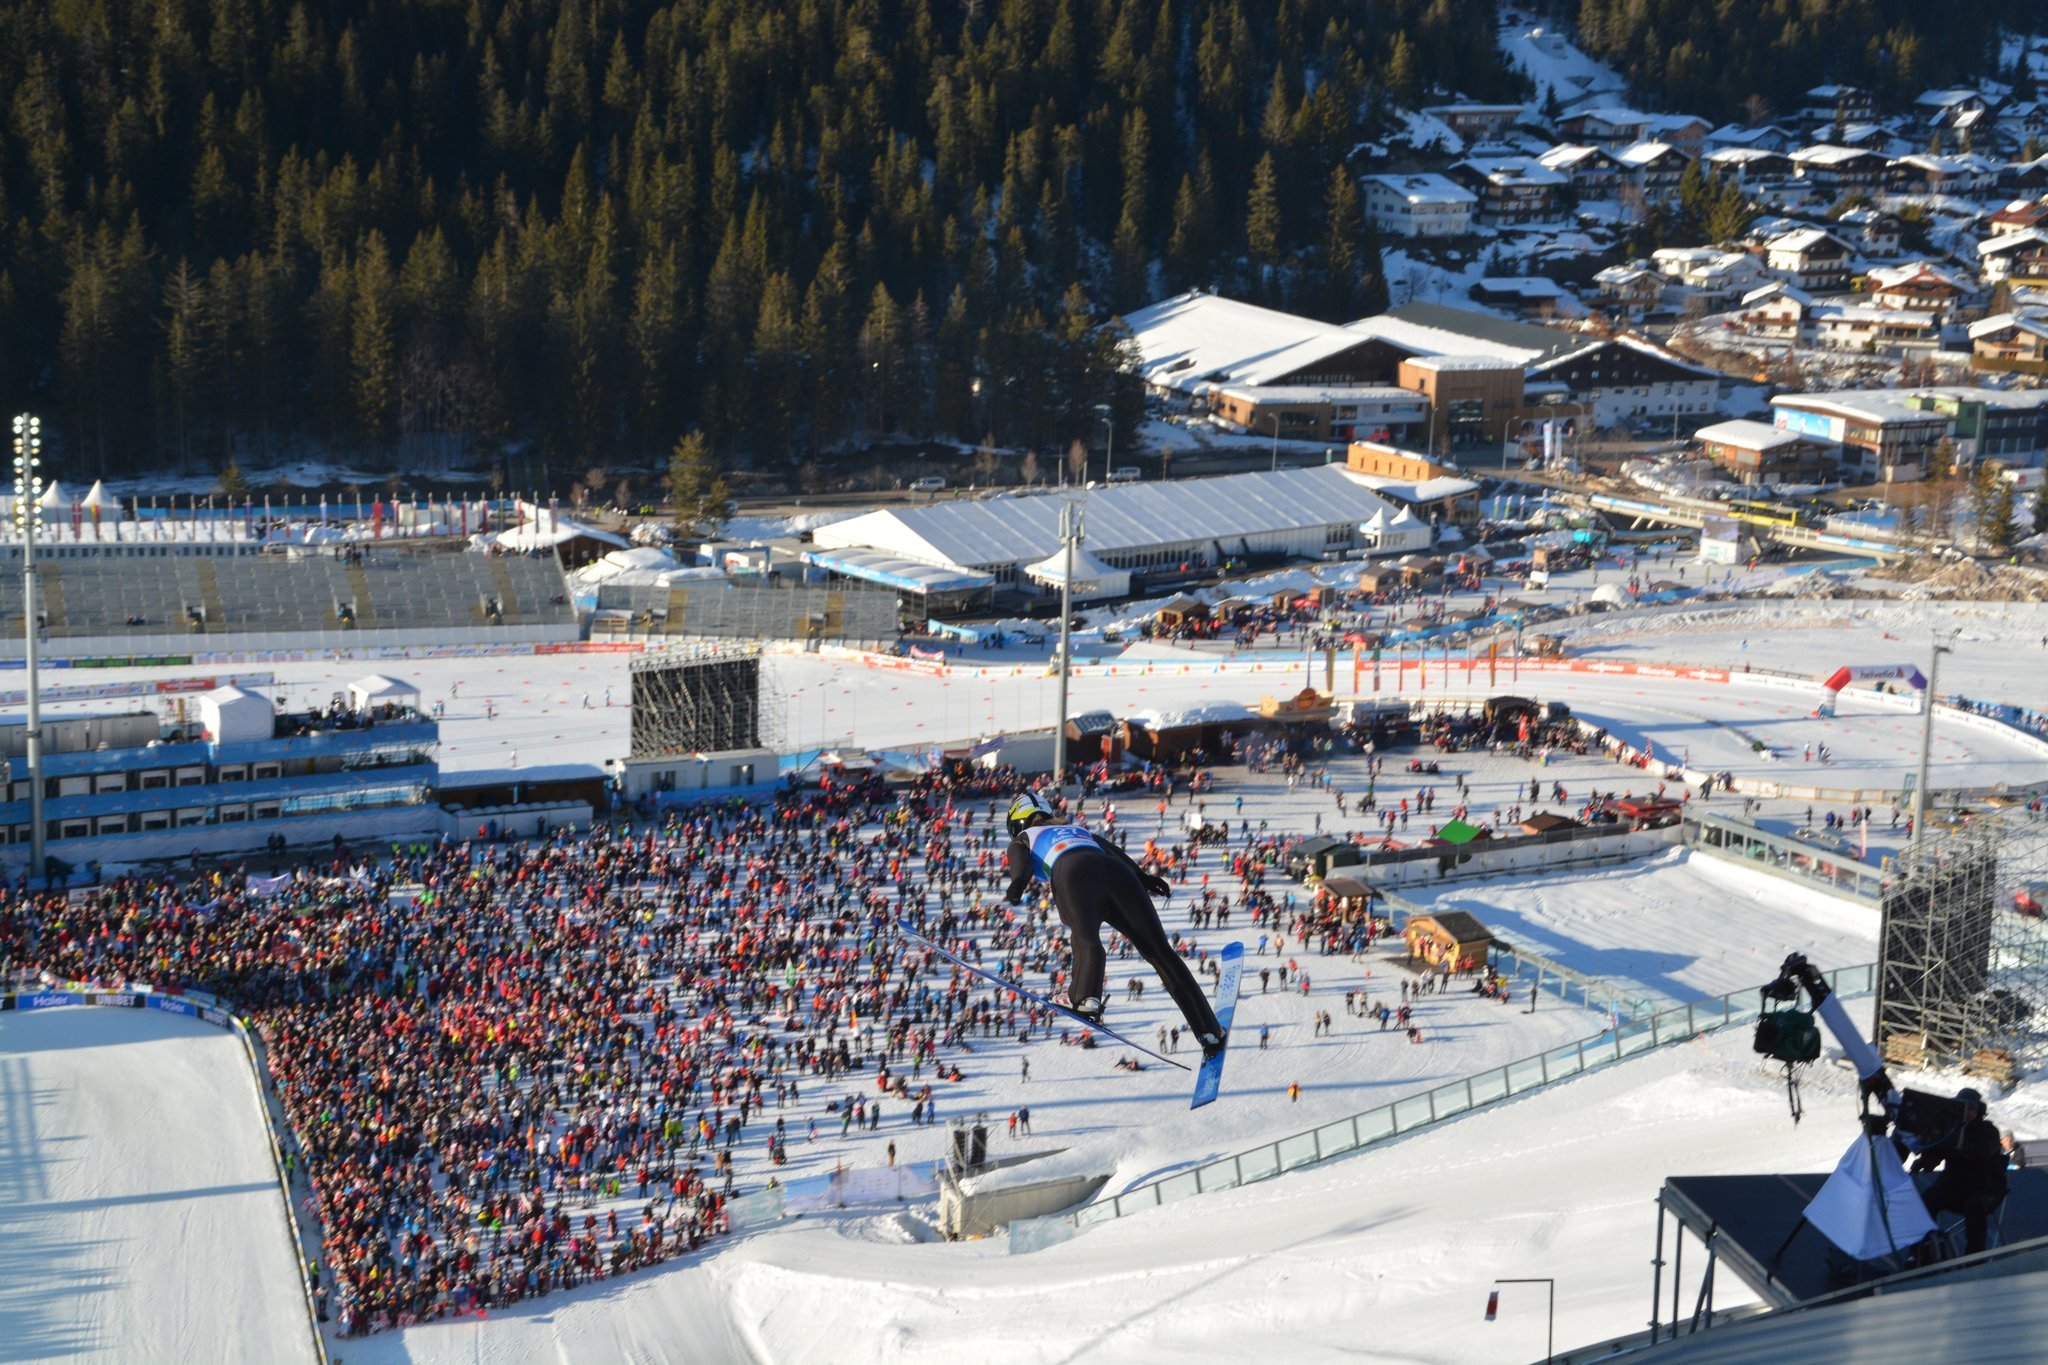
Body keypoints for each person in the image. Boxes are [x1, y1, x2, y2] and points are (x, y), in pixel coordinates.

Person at [1003, 790, 1227, 1057]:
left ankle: (1085, 997)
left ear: (1017, 821)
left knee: (1085, 938)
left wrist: (1017, 885)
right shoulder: (1075, 828)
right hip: (1118, 873)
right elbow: (1114, 852)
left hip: (1073, 869)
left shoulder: (1023, 838)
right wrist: (1144, 878)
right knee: (1161, 953)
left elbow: (1022, 866)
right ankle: (1208, 1029)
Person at [1913, 1087, 2009, 1255]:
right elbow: (1936, 1155)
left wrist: (1953, 1142)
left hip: (1986, 1188)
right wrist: (1924, 1161)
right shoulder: (1951, 1130)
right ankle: (1920, 1252)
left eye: (1970, 1109)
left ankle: (1974, 1257)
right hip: (1955, 1187)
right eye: (1962, 1108)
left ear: (1978, 1111)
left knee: (1975, 1205)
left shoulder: (1988, 1130)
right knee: (1928, 1198)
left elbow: (1981, 1152)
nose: (1966, 1113)